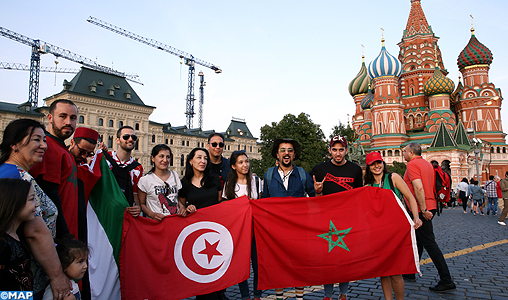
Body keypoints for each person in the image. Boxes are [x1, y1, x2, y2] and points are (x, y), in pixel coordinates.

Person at [0, 118, 70, 299]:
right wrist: (57, 276)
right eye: (36, 140)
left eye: (44, 140)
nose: (44, 146)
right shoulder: (18, 177)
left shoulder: (7, 171)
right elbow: (36, 232)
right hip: (20, 276)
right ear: (14, 144)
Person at [363, 152, 422, 300]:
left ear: (383, 163)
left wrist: (416, 217)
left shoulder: (393, 178)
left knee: (395, 272)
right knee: (383, 271)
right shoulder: (368, 186)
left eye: (379, 162)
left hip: (397, 231)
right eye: (373, 164)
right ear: (368, 167)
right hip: (379, 234)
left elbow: (410, 197)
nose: (377, 166)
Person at [261, 138, 315, 300]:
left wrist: (318, 192)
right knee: (278, 265)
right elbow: (265, 201)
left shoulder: (302, 174)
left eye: (290, 150)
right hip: (276, 230)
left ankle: (299, 298)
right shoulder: (269, 175)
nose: (286, 153)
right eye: (283, 150)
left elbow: (315, 199)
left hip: (298, 229)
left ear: (294, 154)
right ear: (277, 154)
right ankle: (279, 297)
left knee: (299, 264)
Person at [310, 135, 362, 300]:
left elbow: (359, 196)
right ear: (329, 150)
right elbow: (312, 197)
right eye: (334, 149)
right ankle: (327, 295)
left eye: (341, 150)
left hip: (347, 220)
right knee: (329, 259)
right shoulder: (319, 169)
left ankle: (343, 293)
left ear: (346, 150)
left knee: (345, 258)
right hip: (326, 221)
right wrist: (317, 191)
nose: (338, 153)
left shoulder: (355, 170)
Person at [402, 143, 455, 292]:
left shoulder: (412, 165)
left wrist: (423, 210)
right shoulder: (427, 164)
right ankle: (411, 271)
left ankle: (446, 279)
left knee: (429, 243)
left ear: (411, 152)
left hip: (420, 208)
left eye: (405, 151)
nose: (403, 153)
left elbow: (418, 187)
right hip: (429, 205)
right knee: (419, 240)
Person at [30, 99, 78, 241]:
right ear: (50, 118)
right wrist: (65, 237)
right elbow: (49, 197)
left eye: (73, 118)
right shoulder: (48, 147)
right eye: (62, 116)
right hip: (57, 237)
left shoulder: (62, 149)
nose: (68, 122)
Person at [178, 148, 221, 300]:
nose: (203, 161)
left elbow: (220, 202)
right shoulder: (183, 183)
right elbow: (181, 206)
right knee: (202, 270)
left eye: (205, 158)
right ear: (190, 161)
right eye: (199, 158)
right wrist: (186, 208)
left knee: (217, 269)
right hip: (198, 234)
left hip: (216, 231)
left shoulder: (214, 179)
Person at [222, 151, 260, 300]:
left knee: (257, 267)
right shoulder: (229, 185)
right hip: (239, 233)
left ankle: (257, 295)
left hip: (256, 231)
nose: (245, 165)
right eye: (241, 162)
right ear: (233, 166)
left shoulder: (256, 182)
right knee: (242, 266)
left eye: (246, 161)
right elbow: (225, 208)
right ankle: (245, 296)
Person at [0, 178, 37, 291]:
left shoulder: (18, 236)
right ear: (14, 203)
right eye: (32, 199)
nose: (36, 205)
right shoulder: (2, 244)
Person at [138, 144, 183, 221]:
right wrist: (152, 214)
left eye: (168, 157)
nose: (165, 160)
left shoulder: (175, 176)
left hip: (174, 221)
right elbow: (141, 204)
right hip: (155, 224)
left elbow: (178, 199)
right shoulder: (145, 180)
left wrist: (182, 207)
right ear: (153, 158)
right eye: (161, 156)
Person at [105, 126, 143, 218]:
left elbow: (135, 194)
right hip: (103, 211)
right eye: (126, 137)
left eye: (133, 137)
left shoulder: (137, 168)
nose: (130, 139)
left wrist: (138, 207)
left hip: (123, 214)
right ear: (117, 140)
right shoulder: (104, 158)